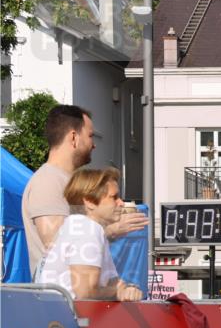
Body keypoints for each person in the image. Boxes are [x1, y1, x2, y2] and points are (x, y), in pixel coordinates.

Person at [22, 105, 148, 276]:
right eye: (90, 136)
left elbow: (80, 235)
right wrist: (112, 230)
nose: (94, 145)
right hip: (60, 298)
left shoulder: (69, 181)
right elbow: (56, 246)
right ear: (74, 137)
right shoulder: (48, 182)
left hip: (77, 293)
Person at [34, 167, 142, 301]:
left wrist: (125, 288)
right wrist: (118, 292)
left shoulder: (81, 226)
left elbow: (111, 282)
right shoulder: (87, 229)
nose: (121, 203)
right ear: (89, 202)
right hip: (69, 317)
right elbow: (85, 292)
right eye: (114, 197)